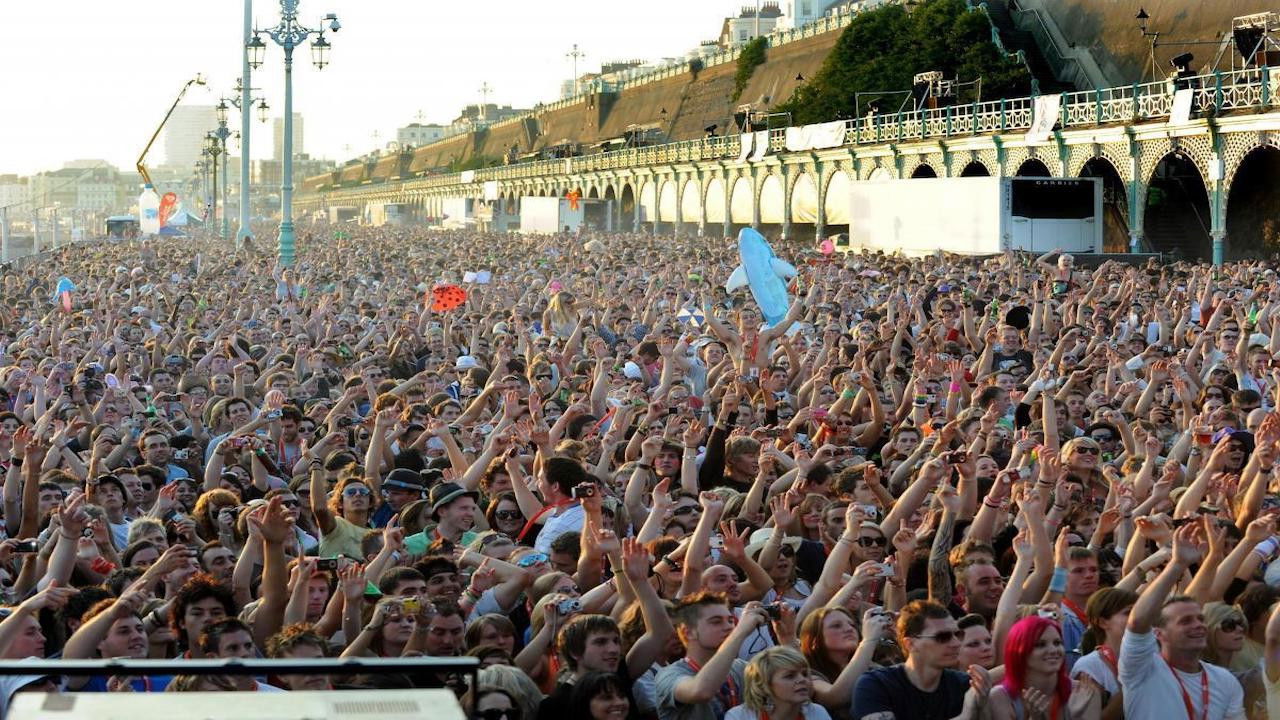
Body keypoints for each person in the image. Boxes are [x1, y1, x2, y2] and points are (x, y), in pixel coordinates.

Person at [1120, 523, 1244, 720]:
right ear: (1159, 633)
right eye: (1185, 621)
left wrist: (1213, 556)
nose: (1198, 625)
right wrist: (1177, 564)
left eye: (1200, 619)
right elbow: (1137, 622)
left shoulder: (1225, 681)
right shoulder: (1141, 669)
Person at [852, 600, 991, 720]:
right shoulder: (876, 685)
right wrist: (965, 715)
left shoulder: (965, 685)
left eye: (958, 634)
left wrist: (981, 706)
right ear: (910, 644)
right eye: (942, 637)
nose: (956, 643)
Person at [724, 646, 831, 720]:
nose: (802, 679)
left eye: (804, 674)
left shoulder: (817, 712)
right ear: (763, 685)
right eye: (790, 676)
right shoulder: (739, 716)